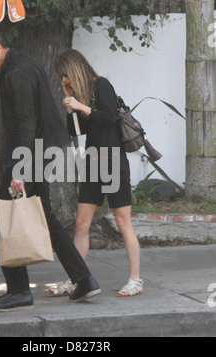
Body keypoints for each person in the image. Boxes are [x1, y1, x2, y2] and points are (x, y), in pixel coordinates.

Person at [0, 31, 101, 312]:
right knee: (44, 215)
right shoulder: (24, 64)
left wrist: (20, 170)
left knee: (2, 218)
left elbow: (25, 123)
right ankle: (84, 279)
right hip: (42, 151)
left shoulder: (16, 72)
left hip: (30, 154)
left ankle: (19, 291)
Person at [50, 49, 143, 297]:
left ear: (75, 68)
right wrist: (72, 108)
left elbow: (110, 117)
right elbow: (76, 132)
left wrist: (81, 105)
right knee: (82, 223)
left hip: (112, 160)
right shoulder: (82, 95)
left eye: (65, 75)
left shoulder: (101, 85)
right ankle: (75, 279)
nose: (64, 81)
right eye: (61, 77)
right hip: (93, 162)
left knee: (123, 222)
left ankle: (135, 280)